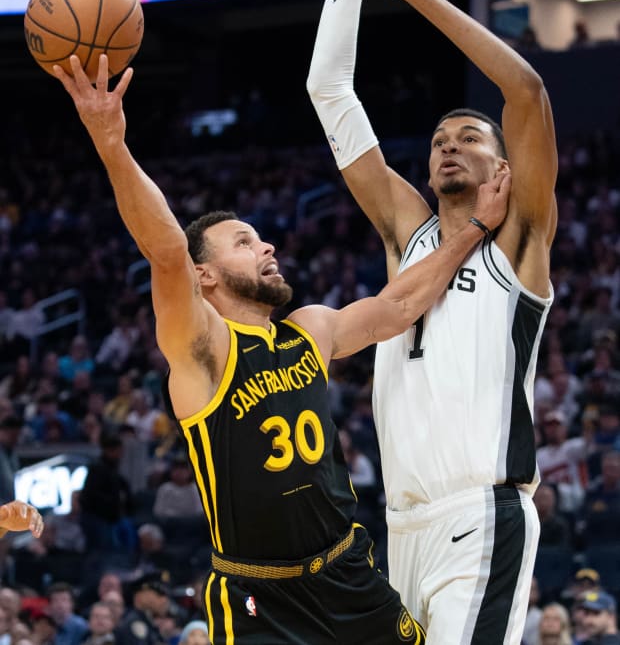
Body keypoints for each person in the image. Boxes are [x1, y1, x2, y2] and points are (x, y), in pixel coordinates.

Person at [51, 51, 510, 645]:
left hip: (348, 572)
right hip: (258, 597)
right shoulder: (203, 350)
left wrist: (474, 229)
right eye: (244, 242)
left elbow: (399, 306)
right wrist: (112, 143)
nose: (267, 246)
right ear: (205, 277)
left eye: (262, 237)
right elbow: (166, 249)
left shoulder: (308, 331)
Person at [305, 0, 558, 645]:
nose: (449, 143)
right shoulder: (406, 234)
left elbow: (525, 89)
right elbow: (328, 89)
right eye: (441, 136)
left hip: (482, 512)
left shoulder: (517, 238)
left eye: (471, 136)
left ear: (504, 166)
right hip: (399, 528)